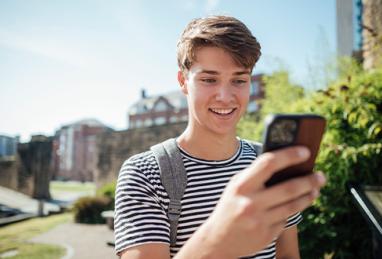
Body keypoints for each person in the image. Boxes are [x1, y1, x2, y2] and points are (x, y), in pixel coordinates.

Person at [114, 15, 326, 259]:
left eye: (239, 80)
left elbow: (288, 255)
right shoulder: (146, 173)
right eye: (209, 79)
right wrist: (219, 240)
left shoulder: (266, 164)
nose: (225, 96)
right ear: (183, 81)